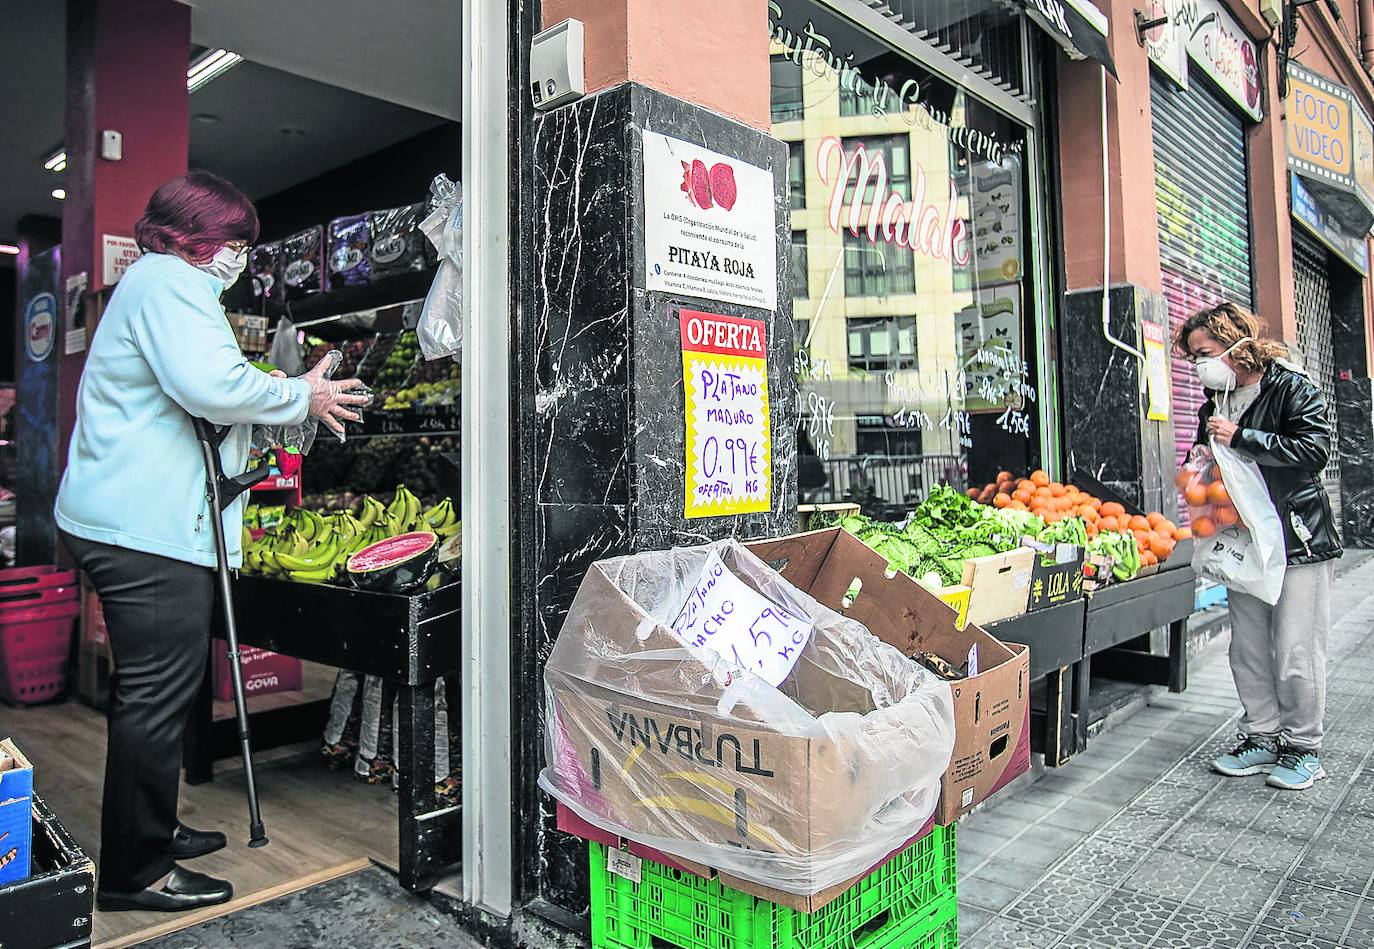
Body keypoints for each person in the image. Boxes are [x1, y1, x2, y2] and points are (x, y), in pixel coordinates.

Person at [55, 172, 369, 912]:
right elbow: (212, 385)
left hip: (140, 521)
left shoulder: (165, 287)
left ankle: (152, 827)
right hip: (144, 531)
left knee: (158, 689)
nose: (239, 255)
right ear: (194, 235)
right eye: (233, 241)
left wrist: (276, 394)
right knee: (155, 697)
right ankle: (137, 870)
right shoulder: (168, 285)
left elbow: (213, 382)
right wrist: (301, 394)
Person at [1177, 302, 1342, 791]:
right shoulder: (1215, 399)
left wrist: (1243, 436)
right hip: (1242, 538)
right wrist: (1201, 458)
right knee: (1248, 647)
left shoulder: (1291, 386)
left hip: (1297, 539)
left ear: (1233, 342)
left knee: (1296, 648)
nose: (1199, 364)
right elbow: (1216, 456)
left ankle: (1303, 746)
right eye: (1192, 357)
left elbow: (1314, 452)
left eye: (1203, 352)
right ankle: (1261, 734)